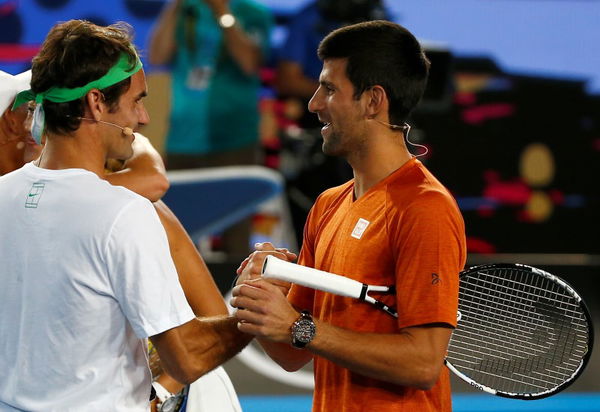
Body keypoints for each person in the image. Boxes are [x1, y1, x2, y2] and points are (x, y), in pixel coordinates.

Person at [0, 20, 253, 411]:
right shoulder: (124, 213)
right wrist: (257, 313)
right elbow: (186, 358)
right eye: (136, 101)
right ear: (96, 103)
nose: (143, 118)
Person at [231, 21, 467, 412]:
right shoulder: (327, 205)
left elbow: (424, 362)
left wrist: (296, 326)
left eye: (328, 88)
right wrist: (260, 298)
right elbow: (293, 353)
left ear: (373, 100)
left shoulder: (425, 209)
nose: (313, 103)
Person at [148, 0, 273, 257]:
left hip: (235, 137)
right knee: (176, 230)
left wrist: (222, 12)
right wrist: (173, 6)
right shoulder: (185, 10)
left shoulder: (253, 13)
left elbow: (249, 62)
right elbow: (157, 56)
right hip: (184, 137)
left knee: (237, 235)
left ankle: (238, 294)